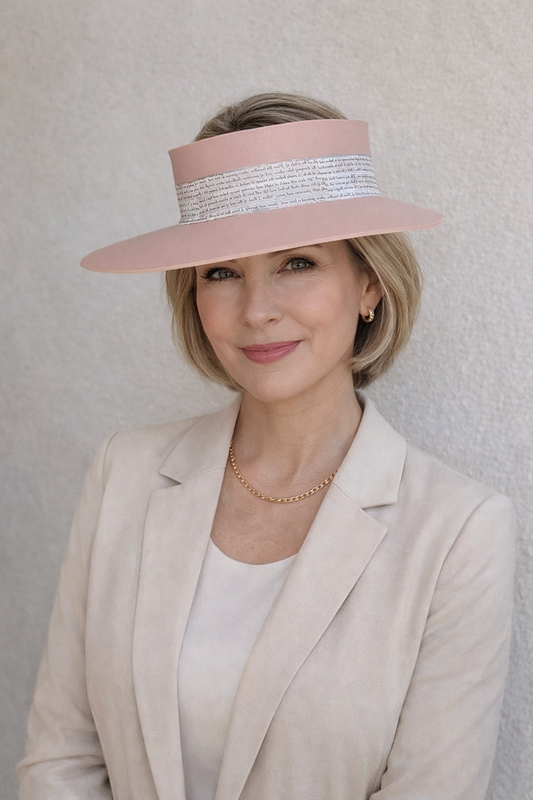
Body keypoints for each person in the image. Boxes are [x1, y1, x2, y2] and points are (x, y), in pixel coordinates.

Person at [18, 93, 515, 800]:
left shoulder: (458, 532)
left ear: (369, 284)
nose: (256, 311)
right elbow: (59, 761)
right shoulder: (122, 473)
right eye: (221, 272)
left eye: (297, 263)